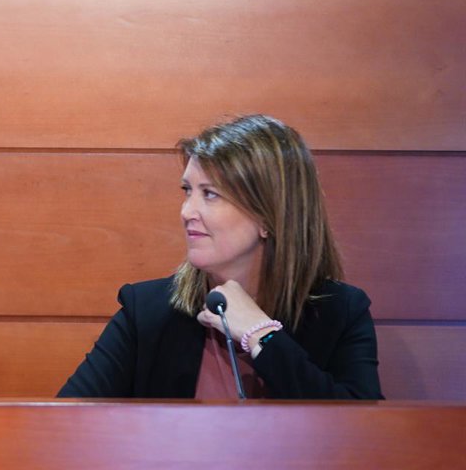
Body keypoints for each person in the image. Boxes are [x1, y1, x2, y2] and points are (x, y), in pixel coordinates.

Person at [57, 114, 382, 399]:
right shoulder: (146, 311)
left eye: (210, 194)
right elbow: (67, 423)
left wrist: (261, 334)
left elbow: (359, 432)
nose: (187, 211)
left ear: (268, 217)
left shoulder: (341, 312)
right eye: (188, 191)